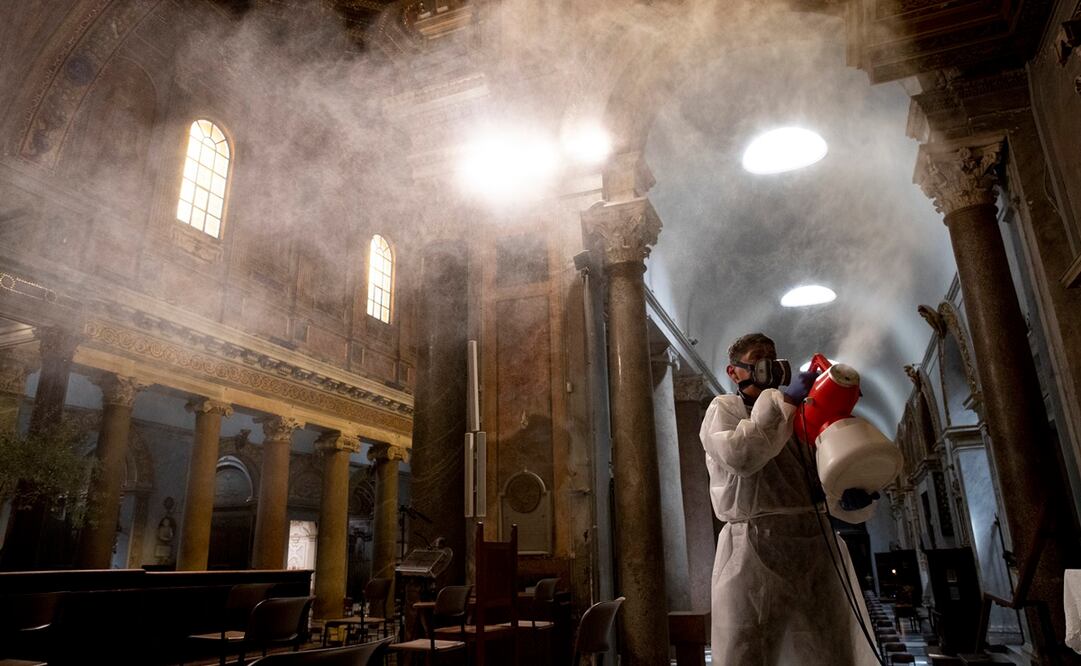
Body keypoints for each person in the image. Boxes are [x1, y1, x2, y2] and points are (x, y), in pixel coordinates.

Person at [699, 332, 879, 665]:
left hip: (814, 546)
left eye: (772, 356)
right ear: (733, 371)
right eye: (757, 358)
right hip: (754, 549)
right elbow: (742, 455)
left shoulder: (800, 416)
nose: (768, 365)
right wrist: (785, 402)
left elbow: (824, 475)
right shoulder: (725, 409)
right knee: (750, 649)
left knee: (829, 648)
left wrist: (849, 494)